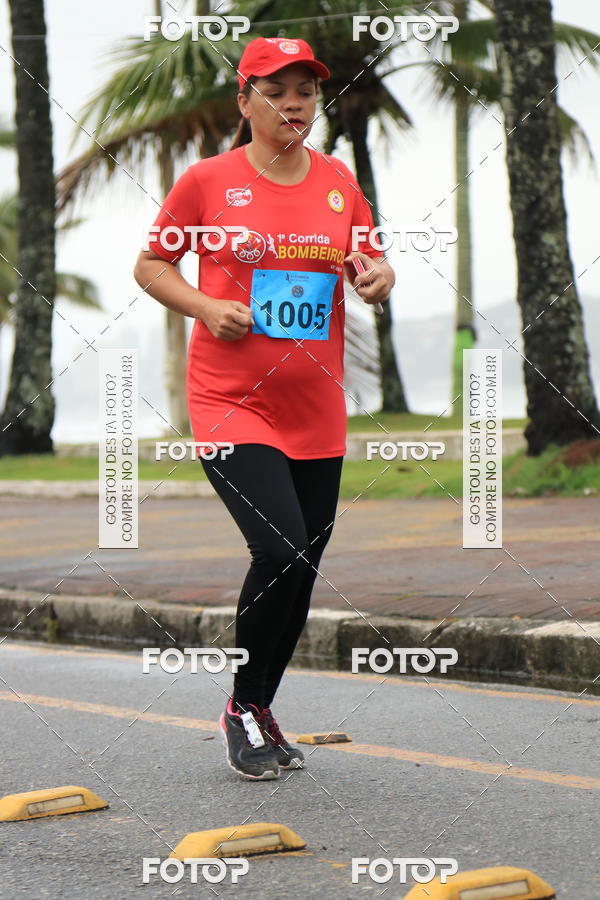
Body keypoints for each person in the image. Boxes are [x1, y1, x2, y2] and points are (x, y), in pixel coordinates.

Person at [133, 36, 395, 780]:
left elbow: (368, 262)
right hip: (230, 402)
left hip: (315, 404)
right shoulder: (207, 183)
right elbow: (152, 264)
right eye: (276, 91)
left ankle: (260, 705)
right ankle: (241, 708)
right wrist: (205, 306)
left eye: (306, 93)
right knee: (277, 548)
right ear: (245, 99)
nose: (293, 105)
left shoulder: (340, 182)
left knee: (305, 565)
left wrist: (378, 278)